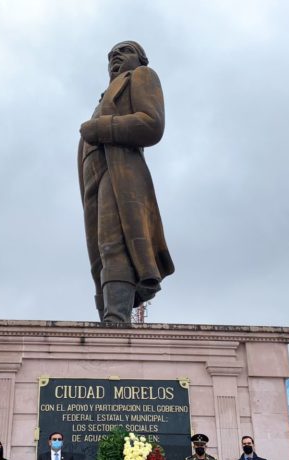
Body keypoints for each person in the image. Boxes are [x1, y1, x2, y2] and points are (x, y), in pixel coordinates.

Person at [78, 40, 174, 322]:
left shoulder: (142, 76)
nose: (115, 56)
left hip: (121, 169)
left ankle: (116, 317)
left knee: (115, 239)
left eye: (125, 50)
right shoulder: (103, 98)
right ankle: (108, 316)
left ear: (141, 59)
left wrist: (102, 127)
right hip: (94, 174)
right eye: (111, 55)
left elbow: (151, 124)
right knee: (99, 250)